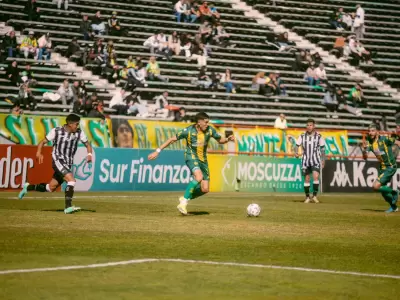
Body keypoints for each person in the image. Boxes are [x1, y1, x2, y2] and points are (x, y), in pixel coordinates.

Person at [148, 112, 234, 215]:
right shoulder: (188, 131)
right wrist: (157, 151)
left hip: (203, 161)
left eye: (208, 122)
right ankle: (183, 202)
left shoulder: (210, 130)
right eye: (205, 122)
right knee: (199, 177)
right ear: (199, 122)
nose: (207, 124)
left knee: (205, 189)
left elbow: (220, 140)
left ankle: (185, 198)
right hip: (191, 157)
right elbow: (171, 139)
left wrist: (228, 139)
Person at [18, 114, 93, 214]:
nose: (77, 126)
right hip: (58, 160)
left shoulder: (79, 133)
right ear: (70, 124)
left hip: (68, 162)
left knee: (51, 188)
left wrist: (89, 154)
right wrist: (38, 153)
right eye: (76, 124)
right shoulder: (56, 131)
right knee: (71, 180)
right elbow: (42, 142)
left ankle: (28, 187)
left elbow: (87, 144)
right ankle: (68, 207)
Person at [362, 124, 400, 213]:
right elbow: (365, 157)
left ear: (377, 132)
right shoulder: (369, 142)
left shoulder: (384, 139)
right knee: (383, 191)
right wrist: (364, 150)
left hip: (390, 166)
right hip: (382, 168)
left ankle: (394, 192)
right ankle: (394, 207)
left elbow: (397, 142)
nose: (370, 133)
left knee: (375, 186)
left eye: (372, 131)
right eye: (369, 131)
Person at [294, 119, 326, 204]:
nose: (309, 127)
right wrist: (296, 152)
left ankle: (314, 196)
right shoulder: (302, 136)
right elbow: (296, 145)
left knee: (315, 177)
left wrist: (323, 160)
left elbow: (323, 149)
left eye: (310, 125)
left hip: (315, 160)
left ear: (314, 126)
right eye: (307, 125)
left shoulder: (319, 136)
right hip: (305, 160)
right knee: (307, 179)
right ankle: (307, 197)